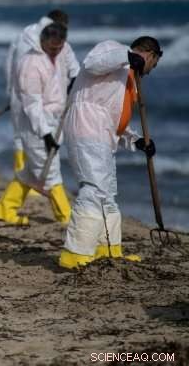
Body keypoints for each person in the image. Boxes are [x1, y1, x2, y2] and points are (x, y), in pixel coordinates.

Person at [58, 37, 161, 269]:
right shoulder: (113, 49)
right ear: (151, 55)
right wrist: (126, 56)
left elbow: (116, 120)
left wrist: (137, 141)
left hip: (102, 134)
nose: (150, 71)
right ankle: (74, 253)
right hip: (86, 127)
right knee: (94, 190)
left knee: (107, 194)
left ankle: (109, 249)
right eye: (153, 65)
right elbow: (92, 63)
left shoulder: (130, 78)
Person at [0, 23, 73, 225]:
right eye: (52, 48)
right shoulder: (30, 64)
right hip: (35, 126)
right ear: (42, 41)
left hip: (54, 121)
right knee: (51, 173)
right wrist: (45, 134)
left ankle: (3, 208)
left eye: (59, 47)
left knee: (28, 172)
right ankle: (67, 219)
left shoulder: (59, 55)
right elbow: (31, 103)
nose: (56, 52)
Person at [6, 10, 79, 176]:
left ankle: (24, 177)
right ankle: (30, 178)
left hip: (22, 95)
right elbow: (73, 70)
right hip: (41, 98)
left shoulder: (25, 33)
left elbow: (9, 63)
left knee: (23, 137)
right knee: (45, 139)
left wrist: (10, 90)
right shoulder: (57, 41)